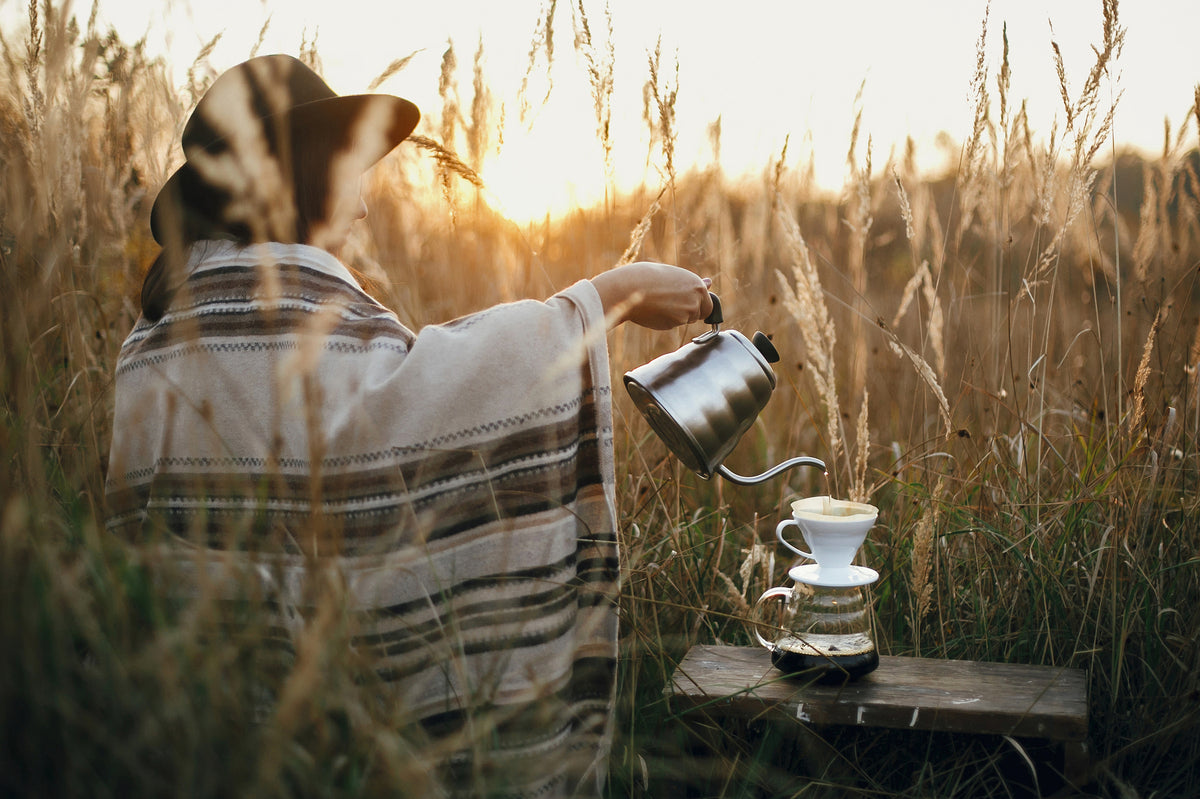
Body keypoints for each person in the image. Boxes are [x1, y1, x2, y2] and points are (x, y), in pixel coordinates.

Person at [105, 54, 711, 798]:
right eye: (354, 172)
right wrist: (610, 294)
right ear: (303, 173)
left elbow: (367, 412)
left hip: (185, 750)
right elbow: (416, 406)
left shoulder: (152, 340)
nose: (362, 206)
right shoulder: (269, 328)